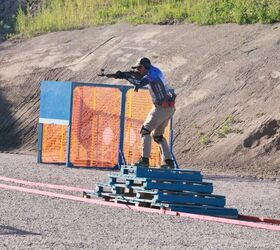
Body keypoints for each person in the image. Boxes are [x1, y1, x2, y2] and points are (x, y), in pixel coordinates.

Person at [115, 57, 176, 169]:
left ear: (146, 66)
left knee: (145, 131)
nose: (138, 70)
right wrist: (129, 75)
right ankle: (169, 162)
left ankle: (144, 161)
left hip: (161, 108)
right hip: (169, 108)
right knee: (158, 136)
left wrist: (125, 76)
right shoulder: (155, 71)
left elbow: (140, 82)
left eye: (140, 68)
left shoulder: (152, 74)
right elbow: (141, 78)